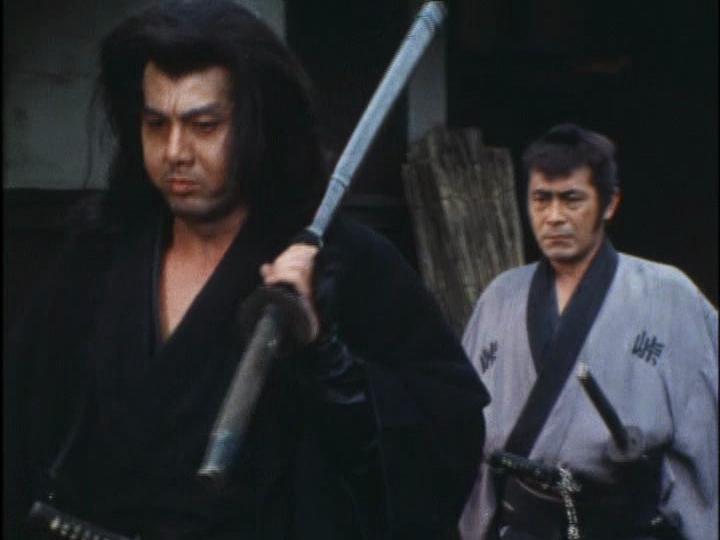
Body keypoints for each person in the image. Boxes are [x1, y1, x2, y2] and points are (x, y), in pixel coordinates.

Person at [4, 1, 490, 539]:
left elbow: (443, 440)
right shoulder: (99, 256)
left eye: (203, 125)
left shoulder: (344, 263)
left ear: (259, 127)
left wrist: (325, 357)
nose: (175, 151)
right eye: (156, 123)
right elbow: (22, 428)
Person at [458, 124, 718, 540]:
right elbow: (465, 427)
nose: (554, 217)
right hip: (524, 524)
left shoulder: (669, 294)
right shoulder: (500, 297)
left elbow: (704, 438)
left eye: (572, 199)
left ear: (609, 203)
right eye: (541, 199)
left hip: (623, 523)